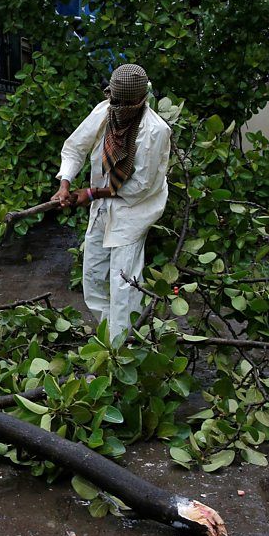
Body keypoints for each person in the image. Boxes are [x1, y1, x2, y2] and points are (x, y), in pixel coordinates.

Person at [52, 64, 171, 342]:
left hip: (133, 212)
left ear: (140, 101)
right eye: (113, 101)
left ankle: (121, 352)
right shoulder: (104, 112)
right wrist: (65, 184)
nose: (117, 108)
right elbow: (75, 147)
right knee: (92, 279)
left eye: (123, 104)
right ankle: (112, 339)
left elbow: (140, 187)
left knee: (123, 286)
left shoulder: (155, 131)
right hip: (103, 208)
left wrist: (91, 193)